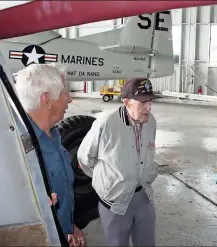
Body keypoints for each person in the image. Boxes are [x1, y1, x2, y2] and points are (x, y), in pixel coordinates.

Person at [77, 78, 159, 247]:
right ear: (127, 102)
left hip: (144, 197)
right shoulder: (106, 123)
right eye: (143, 102)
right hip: (115, 203)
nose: (149, 108)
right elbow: (85, 159)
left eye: (150, 101)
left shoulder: (151, 122)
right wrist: (109, 180)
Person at [15, 63, 86, 247]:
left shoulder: (54, 136)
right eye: (65, 94)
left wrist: (69, 226)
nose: (69, 99)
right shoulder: (18, 148)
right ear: (47, 99)